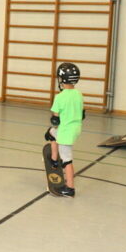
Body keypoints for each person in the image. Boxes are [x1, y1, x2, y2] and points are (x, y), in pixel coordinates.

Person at [46, 62, 84, 197]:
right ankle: (54, 158)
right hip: (76, 129)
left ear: (61, 79)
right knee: (51, 133)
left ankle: (70, 188)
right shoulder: (79, 94)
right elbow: (83, 114)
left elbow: (55, 120)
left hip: (66, 133)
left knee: (67, 160)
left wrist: (56, 121)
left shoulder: (60, 97)